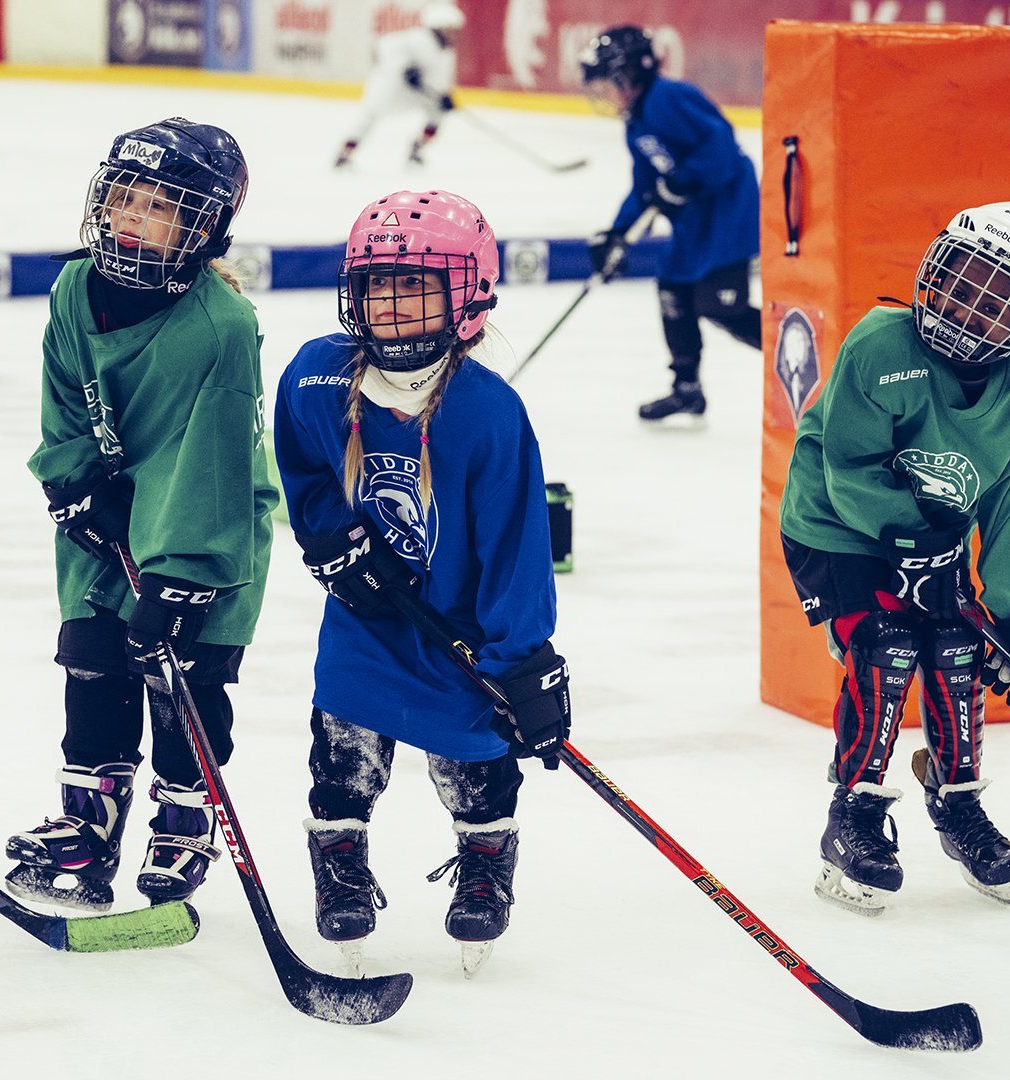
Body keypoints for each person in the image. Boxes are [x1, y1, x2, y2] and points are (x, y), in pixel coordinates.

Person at [273, 189, 570, 976]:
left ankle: (483, 860)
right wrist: (330, 538)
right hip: (366, 623)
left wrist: (524, 661)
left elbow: (517, 547)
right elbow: (302, 467)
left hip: (462, 635)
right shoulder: (316, 378)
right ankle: (338, 863)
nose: (392, 303)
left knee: (476, 759)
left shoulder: (488, 413)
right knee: (341, 750)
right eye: (377, 283)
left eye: (415, 283)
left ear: (467, 296)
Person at [3, 118, 276, 915]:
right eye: (123, 198)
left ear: (206, 230)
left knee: (184, 675)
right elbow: (62, 401)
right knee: (92, 662)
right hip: (109, 499)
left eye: (161, 209)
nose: (131, 220)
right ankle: (88, 829)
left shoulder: (221, 330)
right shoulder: (73, 288)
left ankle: (185, 817)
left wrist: (180, 578)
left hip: (206, 524)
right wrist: (71, 482)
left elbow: (215, 465)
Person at [777, 202, 1010, 916]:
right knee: (888, 642)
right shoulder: (881, 345)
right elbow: (848, 471)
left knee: (963, 644)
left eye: (994, 305)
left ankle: (957, 801)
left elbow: (1006, 496)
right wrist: (916, 541)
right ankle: (855, 814)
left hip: (932, 538)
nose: (968, 312)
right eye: (962, 285)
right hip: (837, 527)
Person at [580, 25, 763, 423]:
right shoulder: (636, 121)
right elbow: (645, 186)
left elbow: (722, 148)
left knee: (719, 305)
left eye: (610, 83)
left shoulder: (667, 98)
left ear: (633, 73)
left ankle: (812, 359)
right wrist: (618, 232)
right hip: (696, 217)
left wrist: (686, 179)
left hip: (728, 210)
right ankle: (686, 389)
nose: (607, 95)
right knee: (673, 287)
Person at [333, 2, 464, 168]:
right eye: (451, 29)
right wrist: (405, 68)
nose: (455, 34)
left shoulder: (445, 50)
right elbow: (386, 45)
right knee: (368, 120)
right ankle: (344, 153)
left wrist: (444, 96)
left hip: (414, 92)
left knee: (436, 113)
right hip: (389, 88)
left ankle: (417, 149)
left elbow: (439, 78)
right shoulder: (419, 39)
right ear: (438, 27)